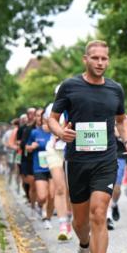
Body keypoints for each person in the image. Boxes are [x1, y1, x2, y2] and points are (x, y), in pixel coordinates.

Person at [48, 41, 127, 253]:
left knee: (99, 214)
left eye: (104, 59)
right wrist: (60, 132)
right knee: (80, 221)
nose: (100, 63)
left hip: (105, 160)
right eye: (95, 58)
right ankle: (84, 245)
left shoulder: (115, 89)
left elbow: (122, 120)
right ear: (85, 59)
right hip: (77, 160)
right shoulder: (70, 86)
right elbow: (52, 119)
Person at [43, 99, 72, 241]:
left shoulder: (76, 105)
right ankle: (63, 225)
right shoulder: (51, 107)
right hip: (55, 149)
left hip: (72, 148)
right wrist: (57, 129)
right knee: (60, 187)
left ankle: (71, 219)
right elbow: (45, 126)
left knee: (72, 189)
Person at [26, 113, 54, 228]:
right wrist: (31, 147)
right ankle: (39, 205)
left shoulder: (55, 132)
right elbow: (27, 147)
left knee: (52, 196)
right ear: (42, 119)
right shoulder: (35, 132)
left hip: (53, 167)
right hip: (39, 167)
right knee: (42, 196)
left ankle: (47, 218)